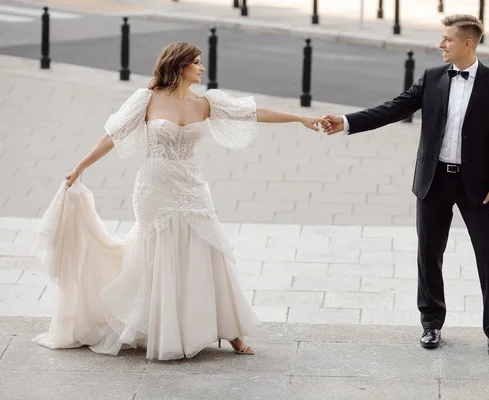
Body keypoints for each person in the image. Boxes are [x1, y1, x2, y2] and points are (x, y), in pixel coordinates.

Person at [33, 41, 324, 360]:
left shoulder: (206, 103)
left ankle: (232, 332)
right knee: (161, 250)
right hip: (155, 187)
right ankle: (164, 328)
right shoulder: (147, 99)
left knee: (210, 248)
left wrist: (298, 118)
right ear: (180, 65)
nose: (201, 68)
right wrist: (80, 167)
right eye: (196, 62)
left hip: (192, 187)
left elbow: (253, 113)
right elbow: (112, 136)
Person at [321, 14, 489, 357]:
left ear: (467, 43)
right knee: (428, 254)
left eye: (447, 39)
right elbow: (394, 108)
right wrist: (347, 122)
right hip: (434, 181)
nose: (441, 44)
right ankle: (431, 325)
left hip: (479, 187)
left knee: (488, 257)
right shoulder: (433, 77)